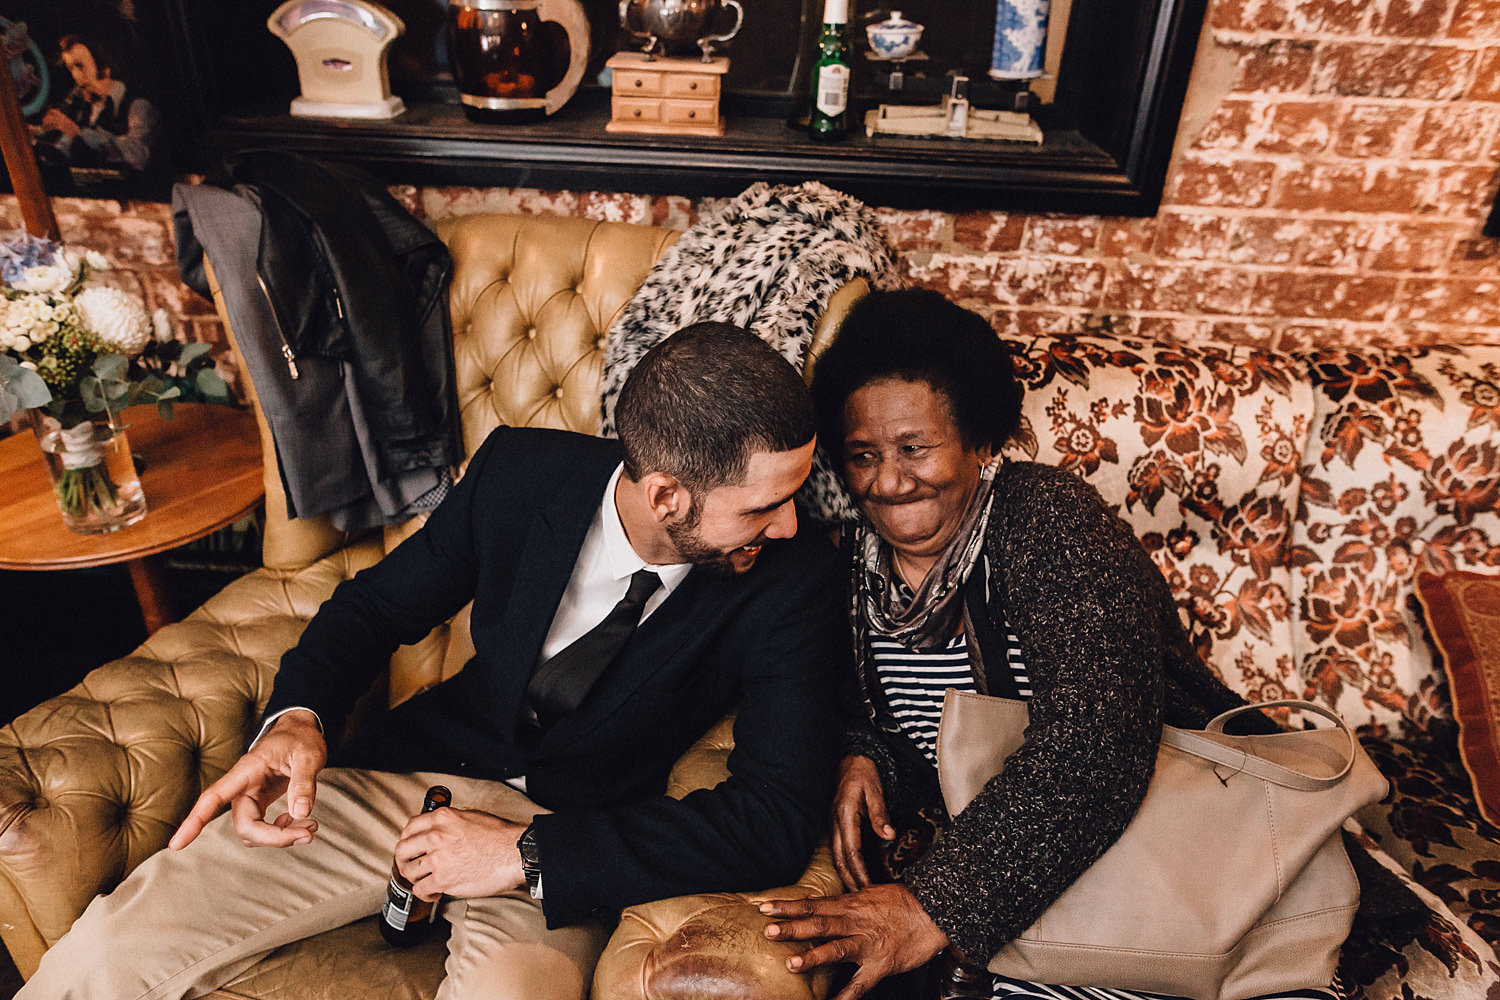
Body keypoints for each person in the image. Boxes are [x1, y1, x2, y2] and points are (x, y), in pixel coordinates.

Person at [19, 322, 847, 1000]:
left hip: (571, 836)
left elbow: (772, 818)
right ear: (666, 494)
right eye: (765, 506)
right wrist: (297, 718)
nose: (787, 527)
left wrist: (523, 855)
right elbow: (374, 606)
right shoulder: (519, 474)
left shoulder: (794, 580)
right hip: (408, 778)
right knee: (107, 955)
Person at [758, 289, 1340, 1000]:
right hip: (1013, 881)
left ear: (980, 440)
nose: (888, 480)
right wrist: (867, 752)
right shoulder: (858, 560)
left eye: (915, 448)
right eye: (862, 455)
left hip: (1154, 862)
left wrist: (930, 906)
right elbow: (903, 712)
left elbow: (1097, 740)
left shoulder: (1047, 521)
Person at [33, 32, 160, 181]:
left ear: (105, 70)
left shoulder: (137, 103)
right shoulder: (81, 106)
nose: (76, 77)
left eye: (80, 67)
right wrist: (38, 135)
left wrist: (79, 134)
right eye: (71, 69)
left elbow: (139, 155)